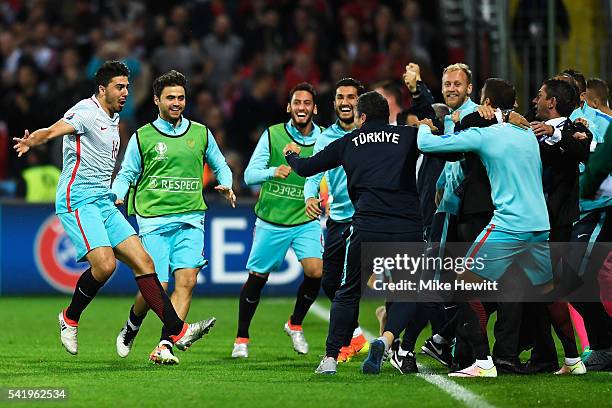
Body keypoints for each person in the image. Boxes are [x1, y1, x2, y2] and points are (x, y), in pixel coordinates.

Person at [12, 61, 213, 359]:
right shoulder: (86, 112)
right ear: (102, 89)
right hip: (77, 199)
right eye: (120, 87)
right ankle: (69, 318)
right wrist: (34, 140)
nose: (125, 93)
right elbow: (56, 129)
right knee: (105, 265)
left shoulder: (115, 118)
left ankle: (176, 330)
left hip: (103, 202)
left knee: (146, 264)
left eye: (127, 87)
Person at [417, 79, 557, 377]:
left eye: (458, 83)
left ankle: (478, 358)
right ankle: (557, 358)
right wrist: (502, 116)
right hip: (533, 222)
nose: (451, 88)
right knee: (525, 291)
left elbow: (438, 146)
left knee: (473, 287)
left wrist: (428, 125)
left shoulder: (480, 126)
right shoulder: (526, 132)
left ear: (482, 98)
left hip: (493, 218)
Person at [284, 91, 427, 375]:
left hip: (366, 225)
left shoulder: (349, 142)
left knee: (348, 292)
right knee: (407, 290)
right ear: (386, 115)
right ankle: (386, 340)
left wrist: (291, 155)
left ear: (361, 117)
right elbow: (447, 149)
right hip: (406, 226)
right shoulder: (409, 136)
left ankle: (329, 359)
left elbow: (306, 168)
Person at [112, 70, 235, 364]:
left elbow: (221, 164)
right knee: (157, 286)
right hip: (153, 220)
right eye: (170, 98)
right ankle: (132, 324)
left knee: (187, 282)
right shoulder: (143, 136)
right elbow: (127, 172)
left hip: (191, 218)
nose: (176, 102)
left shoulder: (201, 133)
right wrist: (117, 193)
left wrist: (227, 182)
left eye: (180, 97)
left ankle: (165, 345)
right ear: (157, 100)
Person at [232, 82, 324, 359]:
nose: (301, 108)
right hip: (272, 220)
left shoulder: (324, 139)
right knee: (258, 278)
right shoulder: (273, 135)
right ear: (289, 107)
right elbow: (249, 176)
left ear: (314, 108)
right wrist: (273, 171)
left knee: (315, 271)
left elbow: (332, 173)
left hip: (305, 219)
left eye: (307, 103)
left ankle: (295, 324)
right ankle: (242, 338)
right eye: (297, 102)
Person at [302, 77, 370, 363]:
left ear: (360, 101)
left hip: (364, 217)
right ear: (334, 103)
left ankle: (346, 343)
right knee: (330, 282)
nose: (345, 102)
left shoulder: (370, 134)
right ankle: (355, 335)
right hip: (337, 219)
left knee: (350, 284)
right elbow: (314, 175)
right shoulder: (326, 138)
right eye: (341, 97)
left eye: (351, 97)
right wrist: (310, 197)